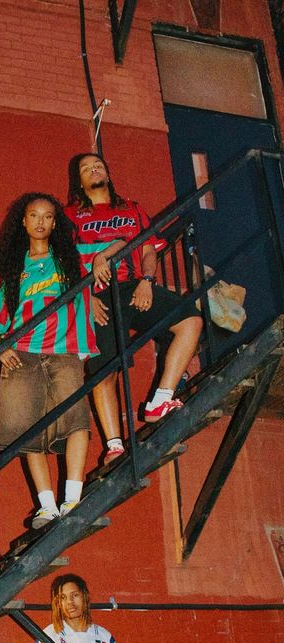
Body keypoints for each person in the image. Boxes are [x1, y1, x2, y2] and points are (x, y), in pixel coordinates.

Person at [65, 152, 202, 463]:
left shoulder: (132, 209)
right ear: (80, 181)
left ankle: (161, 399)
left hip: (133, 288)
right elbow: (64, 266)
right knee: (104, 371)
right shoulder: (70, 216)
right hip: (95, 298)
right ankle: (114, 446)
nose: (94, 169)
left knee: (190, 320)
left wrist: (148, 280)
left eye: (98, 165)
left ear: (108, 173)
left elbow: (150, 250)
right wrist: (83, 299)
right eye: (86, 168)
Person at [0, 193, 104, 530]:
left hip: (64, 351)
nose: (40, 221)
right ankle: (48, 506)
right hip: (22, 353)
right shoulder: (13, 269)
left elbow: (116, 245)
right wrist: (0, 348)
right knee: (27, 431)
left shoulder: (71, 258)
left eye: (47, 216)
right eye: (33, 215)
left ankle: (73, 498)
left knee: (77, 420)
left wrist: (100, 263)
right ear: (23, 222)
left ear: (55, 222)